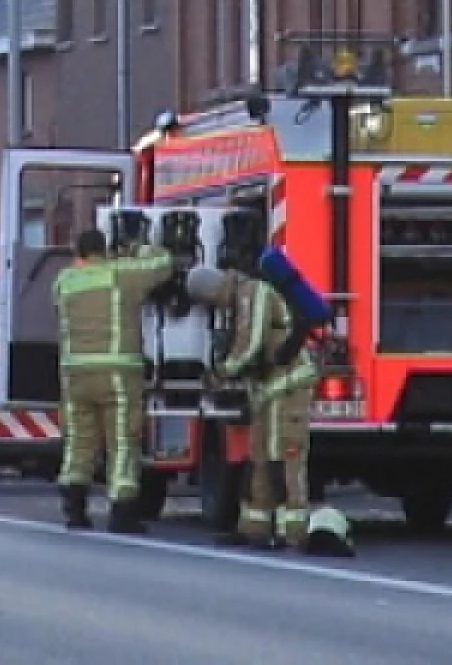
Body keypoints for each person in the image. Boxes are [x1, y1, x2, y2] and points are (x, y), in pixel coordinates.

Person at [186, 263, 320, 551]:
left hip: (288, 386)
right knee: (258, 458)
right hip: (268, 392)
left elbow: (251, 344)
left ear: (214, 290)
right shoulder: (240, 299)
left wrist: (221, 373)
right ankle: (254, 528)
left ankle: (291, 532)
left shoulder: (253, 293)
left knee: (282, 457)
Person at [51, 227, 176, 533]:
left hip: (75, 373)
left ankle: (75, 511)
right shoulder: (120, 274)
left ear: (77, 252)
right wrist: (142, 247)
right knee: (122, 441)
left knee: (79, 441)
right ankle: (122, 514)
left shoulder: (63, 282)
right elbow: (163, 265)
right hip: (117, 372)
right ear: (104, 250)